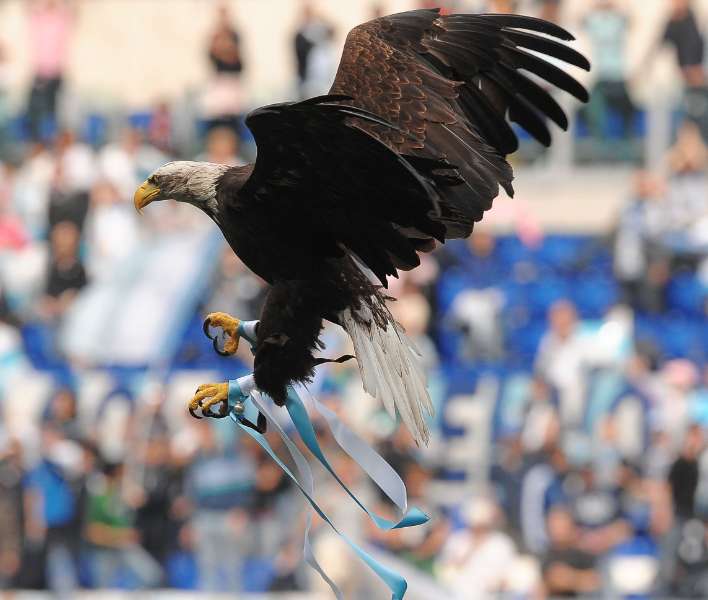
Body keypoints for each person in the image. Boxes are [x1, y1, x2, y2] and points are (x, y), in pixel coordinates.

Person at [85, 461, 162, 588]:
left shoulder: (122, 497)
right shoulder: (99, 498)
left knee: (151, 577)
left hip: (125, 547)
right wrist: (119, 536)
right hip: (105, 552)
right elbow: (92, 532)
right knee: (104, 590)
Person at [582, 0, 636, 141]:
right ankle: (600, 143)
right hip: (600, 76)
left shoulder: (618, 19)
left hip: (618, 76)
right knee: (593, 110)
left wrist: (615, 6)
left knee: (629, 111)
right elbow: (577, 17)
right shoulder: (594, 20)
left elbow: (631, 17)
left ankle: (626, 144)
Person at [26, 0, 78, 140]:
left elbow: (73, 8)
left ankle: (55, 140)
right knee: (35, 113)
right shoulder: (39, 17)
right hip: (41, 72)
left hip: (57, 72)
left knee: (58, 113)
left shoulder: (62, 17)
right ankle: (37, 141)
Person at [201, 2, 246, 137]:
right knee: (216, 117)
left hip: (232, 83)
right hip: (220, 83)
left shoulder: (235, 34)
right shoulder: (215, 35)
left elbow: (237, 61)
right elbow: (213, 57)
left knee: (233, 119)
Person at [542, 507, 601, 597]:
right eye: (554, 523)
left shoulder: (584, 554)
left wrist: (572, 579)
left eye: (561, 523)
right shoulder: (543, 556)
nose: (557, 528)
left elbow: (597, 582)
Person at [39, 221, 87, 321]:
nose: (63, 246)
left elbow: (85, 297)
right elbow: (45, 298)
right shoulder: (50, 270)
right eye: (59, 243)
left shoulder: (80, 271)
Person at [293, 2, 337, 98]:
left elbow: (333, 30)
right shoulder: (302, 34)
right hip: (308, 80)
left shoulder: (318, 31)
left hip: (323, 80)